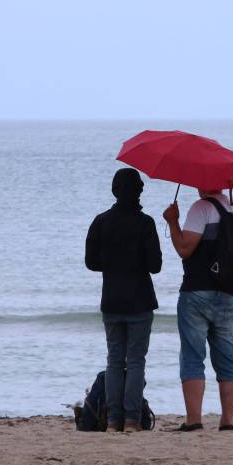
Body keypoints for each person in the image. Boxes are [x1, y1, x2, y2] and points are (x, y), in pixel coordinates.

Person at [162, 188, 233, 432]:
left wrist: (172, 222)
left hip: (196, 292)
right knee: (228, 359)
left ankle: (194, 420)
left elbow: (184, 248)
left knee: (192, 356)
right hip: (228, 295)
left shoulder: (200, 208)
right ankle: (227, 421)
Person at [85, 168, 162, 432]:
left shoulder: (101, 221)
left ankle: (113, 420)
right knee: (137, 360)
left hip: (112, 299)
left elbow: (91, 262)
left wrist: (113, 262)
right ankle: (131, 420)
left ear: (115, 191)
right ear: (138, 191)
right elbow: (156, 265)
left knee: (115, 360)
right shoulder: (146, 223)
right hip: (140, 299)